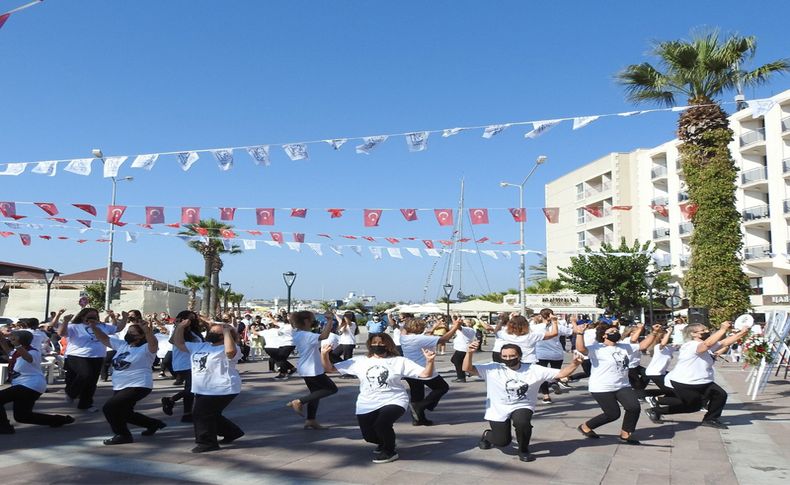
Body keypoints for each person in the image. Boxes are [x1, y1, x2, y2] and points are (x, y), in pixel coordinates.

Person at [320, 333, 436, 464]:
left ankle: (389, 451)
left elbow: (426, 374)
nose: (378, 345)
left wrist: (430, 361)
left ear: (388, 345)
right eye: (374, 343)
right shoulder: (360, 361)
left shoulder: (400, 361)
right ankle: (385, 441)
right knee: (368, 436)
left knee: (382, 424)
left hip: (394, 399)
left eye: (381, 343)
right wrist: (324, 354)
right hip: (367, 402)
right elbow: (329, 369)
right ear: (370, 345)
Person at [464, 341, 583, 462]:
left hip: (523, 404)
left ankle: (523, 449)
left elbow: (561, 373)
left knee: (522, 422)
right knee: (503, 441)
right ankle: (488, 436)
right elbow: (467, 368)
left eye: (512, 356)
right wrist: (469, 353)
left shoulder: (534, 369)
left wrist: (575, 363)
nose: (508, 359)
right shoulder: (493, 368)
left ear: (519, 356)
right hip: (497, 408)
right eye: (504, 356)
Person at [646, 321, 752, 428]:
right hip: (685, 382)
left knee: (720, 395)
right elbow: (707, 344)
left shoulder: (705, 345)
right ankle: (656, 411)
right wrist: (722, 329)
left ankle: (711, 419)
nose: (707, 332)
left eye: (706, 330)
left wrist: (742, 333)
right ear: (693, 334)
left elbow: (724, 343)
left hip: (704, 381)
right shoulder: (690, 345)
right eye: (703, 330)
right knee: (692, 407)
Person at [574, 321, 659, 444]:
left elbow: (642, 346)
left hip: (622, 385)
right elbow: (581, 348)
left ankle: (626, 433)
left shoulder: (624, 346)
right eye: (612, 331)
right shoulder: (596, 348)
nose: (616, 333)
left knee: (634, 407)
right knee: (613, 414)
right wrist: (580, 333)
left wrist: (654, 333)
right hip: (602, 387)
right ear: (604, 335)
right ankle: (585, 426)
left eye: (616, 331)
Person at [90, 313, 166, 445]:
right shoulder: (123, 345)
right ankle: (154, 424)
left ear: (141, 336)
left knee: (109, 408)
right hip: (120, 385)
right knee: (125, 413)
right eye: (128, 331)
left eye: (133, 332)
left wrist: (147, 330)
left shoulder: (146, 349)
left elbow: (153, 343)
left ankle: (123, 435)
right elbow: (104, 338)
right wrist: (94, 326)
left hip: (138, 385)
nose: (129, 334)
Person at [173, 318, 244, 453]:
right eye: (210, 331)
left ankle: (207, 443)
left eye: (214, 332)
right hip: (202, 388)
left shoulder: (233, 348)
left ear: (223, 335)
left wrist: (228, 332)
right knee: (211, 414)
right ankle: (232, 432)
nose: (209, 333)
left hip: (222, 387)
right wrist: (180, 327)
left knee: (200, 414)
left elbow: (229, 352)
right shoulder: (200, 346)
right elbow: (179, 343)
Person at [0, 331, 74, 433]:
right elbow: (8, 351)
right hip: (24, 385)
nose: (11, 338)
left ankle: (4, 428)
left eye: (14, 337)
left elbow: (28, 358)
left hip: (30, 385)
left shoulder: (33, 352)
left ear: (20, 340)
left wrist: (17, 345)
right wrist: (2, 339)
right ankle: (58, 420)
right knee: (22, 417)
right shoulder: (16, 352)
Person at [57, 308, 126, 412]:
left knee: (92, 382)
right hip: (77, 355)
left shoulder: (102, 326)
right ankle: (71, 393)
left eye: (94, 317)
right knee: (85, 374)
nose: (92, 319)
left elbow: (118, 328)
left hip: (97, 356)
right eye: (89, 317)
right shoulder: (74, 326)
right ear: (82, 317)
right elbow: (61, 333)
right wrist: (65, 321)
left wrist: (124, 318)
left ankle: (85, 404)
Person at [400, 316, 461, 425]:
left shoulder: (403, 337)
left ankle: (418, 420)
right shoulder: (418, 339)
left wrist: (407, 323)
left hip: (409, 370)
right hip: (423, 369)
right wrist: (455, 327)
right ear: (419, 328)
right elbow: (444, 339)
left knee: (417, 394)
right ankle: (422, 406)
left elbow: (405, 329)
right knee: (442, 387)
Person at [286, 310, 338, 429]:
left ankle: (311, 419)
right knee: (331, 389)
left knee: (316, 394)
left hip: (307, 367)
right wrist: (330, 320)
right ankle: (299, 401)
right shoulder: (307, 335)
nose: (314, 322)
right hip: (311, 368)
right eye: (312, 319)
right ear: (306, 321)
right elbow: (324, 336)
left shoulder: (298, 333)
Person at [162, 310, 204, 422]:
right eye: (189, 318)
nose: (192, 320)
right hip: (184, 362)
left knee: (190, 389)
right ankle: (171, 400)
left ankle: (187, 414)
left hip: (195, 362)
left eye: (194, 318)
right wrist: (179, 326)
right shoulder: (180, 330)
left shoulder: (194, 331)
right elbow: (172, 341)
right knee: (193, 388)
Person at [533, 309, 573, 403]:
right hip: (556, 353)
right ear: (552, 315)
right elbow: (571, 332)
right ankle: (554, 382)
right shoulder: (558, 326)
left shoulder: (535, 327)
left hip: (540, 353)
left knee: (542, 376)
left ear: (541, 316)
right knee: (555, 372)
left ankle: (546, 396)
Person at [450, 317, 477, 383]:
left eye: (466, 321)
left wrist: (454, 318)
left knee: (456, 361)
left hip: (462, 349)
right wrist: (454, 318)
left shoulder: (467, 329)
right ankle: (468, 371)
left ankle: (461, 377)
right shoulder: (469, 329)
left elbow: (458, 326)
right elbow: (457, 325)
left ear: (470, 323)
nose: (464, 322)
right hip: (462, 348)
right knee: (456, 361)